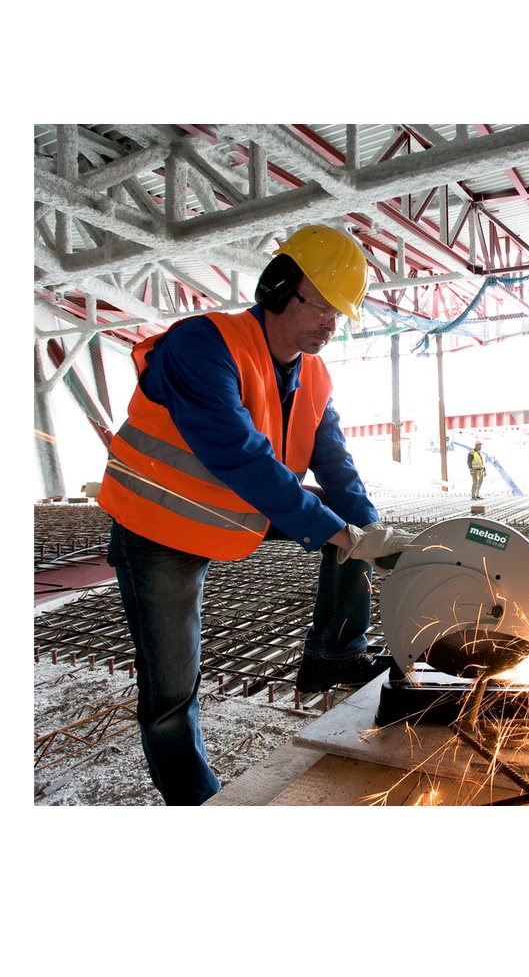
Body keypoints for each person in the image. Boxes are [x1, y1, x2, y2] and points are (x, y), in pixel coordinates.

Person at [98, 224, 412, 806]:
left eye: (339, 314)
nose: (330, 325)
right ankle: (202, 805)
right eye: (321, 306)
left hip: (233, 513)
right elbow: (241, 456)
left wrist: (374, 536)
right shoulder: (201, 345)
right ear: (277, 288)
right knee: (170, 692)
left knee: (346, 525)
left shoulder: (313, 376)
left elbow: (336, 466)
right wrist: (340, 533)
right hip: (157, 526)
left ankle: (334, 652)